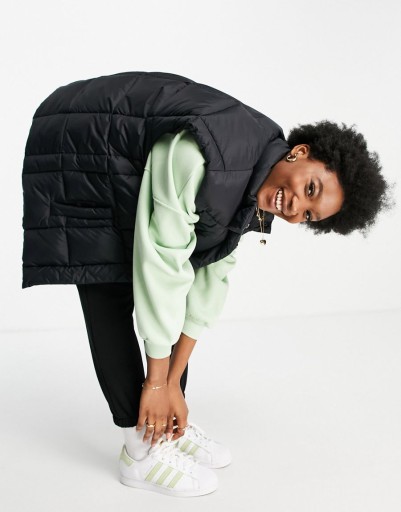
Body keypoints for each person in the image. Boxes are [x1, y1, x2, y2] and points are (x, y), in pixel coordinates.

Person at [21, 71, 392, 498]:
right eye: (310, 188)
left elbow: (210, 275)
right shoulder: (202, 154)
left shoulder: (260, 179)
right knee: (109, 284)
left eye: (309, 215)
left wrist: (172, 382)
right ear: (300, 152)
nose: (295, 209)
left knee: (168, 295)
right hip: (79, 143)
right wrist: (155, 383)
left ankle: (166, 425)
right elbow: (163, 262)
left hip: (122, 155)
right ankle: (139, 450)